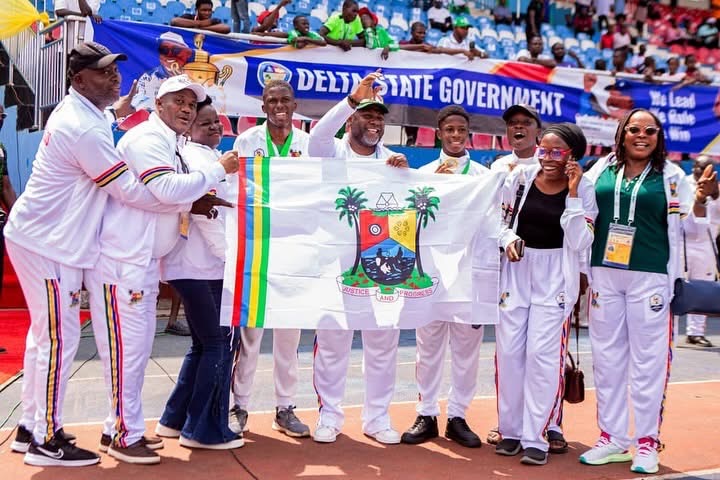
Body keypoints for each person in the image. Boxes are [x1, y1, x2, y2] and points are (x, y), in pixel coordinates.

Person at [5, 42, 210, 467]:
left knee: (46, 338)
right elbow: (132, 191)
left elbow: (105, 123)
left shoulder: (90, 114)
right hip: (48, 242)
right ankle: (45, 439)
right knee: (58, 341)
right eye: (103, 72)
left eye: (115, 69)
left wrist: (119, 109)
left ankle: (31, 427)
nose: (114, 76)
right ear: (79, 80)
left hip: (54, 241)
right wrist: (186, 194)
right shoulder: (83, 127)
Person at [87, 74, 239, 464]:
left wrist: (193, 201)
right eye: (179, 101)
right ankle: (124, 436)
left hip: (142, 262)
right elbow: (167, 190)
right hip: (123, 261)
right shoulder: (148, 140)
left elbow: (170, 197)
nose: (187, 109)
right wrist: (217, 171)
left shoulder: (168, 141)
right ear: (159, 105)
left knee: (136, 353)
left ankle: (119, 427)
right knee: (127, 353)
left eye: (191, 103)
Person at [580, 109, 716, 474]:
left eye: (650, 131)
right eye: (634, 129)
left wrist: (701, 199)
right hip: (605, 274)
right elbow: (583, 214)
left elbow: (692, 229)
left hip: (651, 277)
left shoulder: (671, 176)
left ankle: (646, 442)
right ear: (622, 134)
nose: (642, 136)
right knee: (607, 360)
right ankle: (612, 438)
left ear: (659, 137)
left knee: (648, 362)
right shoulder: (601, 170)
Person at [308, 70, 409, 445]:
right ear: (350, 120)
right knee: (333, 343)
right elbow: (317, 135)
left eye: (379, 117)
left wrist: (405, 176)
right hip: (336, 263)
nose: (374, 122)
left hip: (382, 262)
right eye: (367, 115)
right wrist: (352, 99)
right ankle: (329, 416)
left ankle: (377, 418)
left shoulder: (395, 160)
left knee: (382, 344)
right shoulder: (332, 151)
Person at [495, 123, 597, 466]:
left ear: (572, 156)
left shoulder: (585, 188)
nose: (548, 158)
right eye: (544, 150)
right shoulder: (519, 178)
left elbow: (581, 241)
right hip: (518, 270)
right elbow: (497, 221)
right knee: (510, 353)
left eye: (557, 152)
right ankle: (510, 431)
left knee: (542, 356)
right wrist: (507, 239)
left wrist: (573, 194)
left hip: (556, 275)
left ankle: (535, 435)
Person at [401, 106, 491, 449]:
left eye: (461, 130)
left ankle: (458, 416)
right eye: (449, 130)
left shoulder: (483, 176)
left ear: (469, 134)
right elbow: (408, 224)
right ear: (439, 133)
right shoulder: (423, 174)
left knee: (466, 352)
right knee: (428, 349)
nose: (455, 136)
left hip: (468, 276)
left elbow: (491, 223)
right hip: (431, 275)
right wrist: (429, 188)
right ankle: (426, 414)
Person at [155, 98, 243, 450]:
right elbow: (208, 216)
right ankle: (205, 429)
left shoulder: (208, 157)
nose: (215, 127)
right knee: (219, 344)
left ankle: (174, 420)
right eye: (205, 123)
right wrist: (232, 260)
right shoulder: (199, 159)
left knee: (204, 343)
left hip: (197, 265)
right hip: (201, 265)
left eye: (217, 122)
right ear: (189, 129)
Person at [230, 80, 312, 438]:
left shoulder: (309, 144)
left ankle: (285, 407)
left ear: (295, 105)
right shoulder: (247, 141)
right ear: (263, 107)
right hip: (258, 248)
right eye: (272, 101)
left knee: (289, 336)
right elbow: (239, 190)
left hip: (294, 250)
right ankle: (239, 405)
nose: (279, 106)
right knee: (250, 334)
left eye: (285, 100)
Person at [683, 155, 719, 347]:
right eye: (701, 167)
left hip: (706, 244)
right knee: (675, 286)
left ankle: (695, 333)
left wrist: (716, 195)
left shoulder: (716, 188)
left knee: (702, 289)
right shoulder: (682, 182)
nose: (704, 172)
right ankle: (666, 328)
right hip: (683, 242)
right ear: (693, 168)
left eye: (708, 168)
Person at [132, 32, 192, 112]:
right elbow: (142, 108)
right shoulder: (148, 78)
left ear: (186, 55)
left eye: (176, 50)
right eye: (164, 50)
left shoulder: (194, 77)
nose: (169, 54)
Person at [491, 104, 541, 173]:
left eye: (526, 122)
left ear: (538, 131)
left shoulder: (548, 165)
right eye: (512, 122)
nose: (518, 126)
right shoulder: (499, 166)